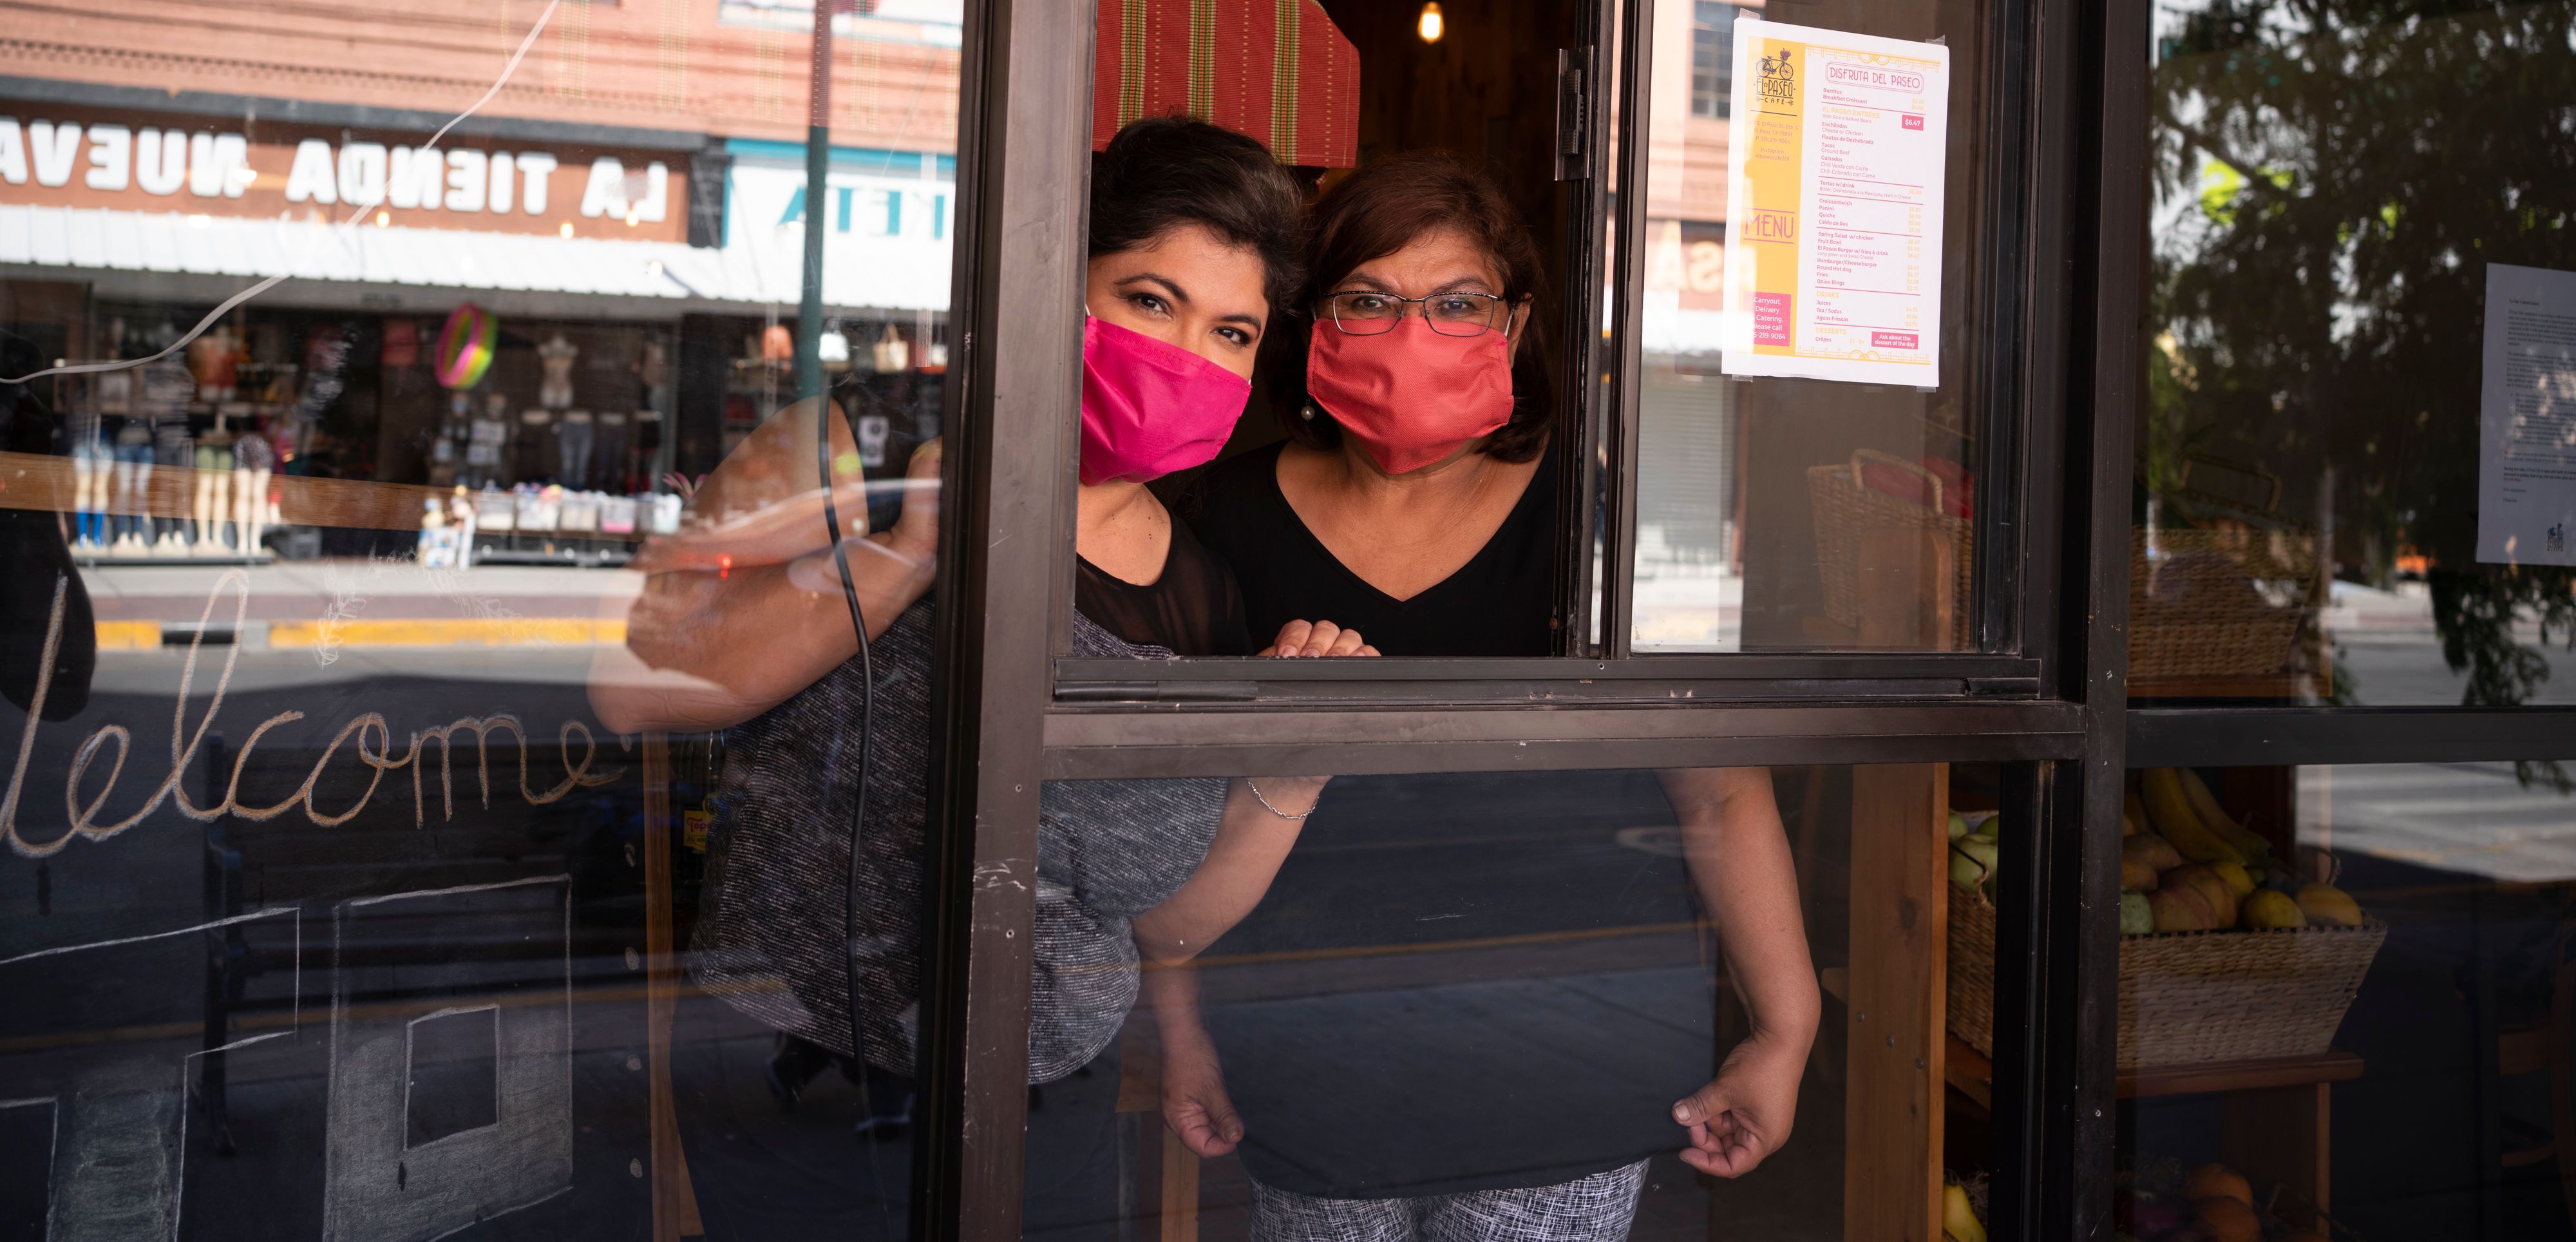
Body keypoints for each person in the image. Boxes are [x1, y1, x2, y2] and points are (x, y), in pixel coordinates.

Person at [589, 115, 1367, 1103]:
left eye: (1231, 332)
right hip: (797, 1077)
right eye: (1148, 300)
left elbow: (1163, 925)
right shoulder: (851, 446)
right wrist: (906, 552)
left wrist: (1291, 772)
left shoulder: (1203, 586)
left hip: (1055, 1092)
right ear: (1055, 290)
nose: (1186, 354)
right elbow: (630, 686)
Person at [1171, 153, 1821, 1239]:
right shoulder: (1210, 517)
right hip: (1302, 1055)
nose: (1411, 330)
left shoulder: (1624, 513)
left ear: (1514, 326)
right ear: (1311, 322)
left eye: (1456, 303)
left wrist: (1785, 1031)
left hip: (1574, 1055)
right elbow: (1168, 818)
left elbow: (1721, 795)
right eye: (1367, 300)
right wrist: (1181, 1028)